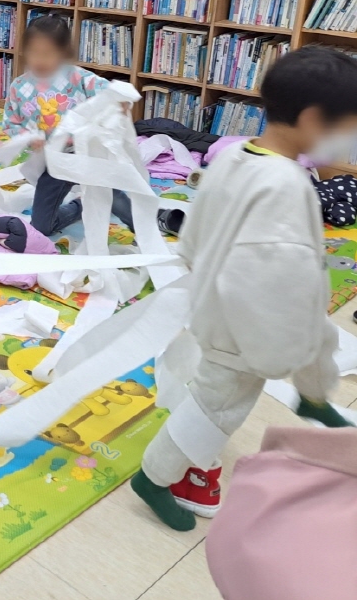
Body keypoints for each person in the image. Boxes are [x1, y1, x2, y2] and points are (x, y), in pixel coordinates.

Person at [131, 46, 357, 532]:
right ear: (312, 120)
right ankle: (154, 477)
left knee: (236, 389)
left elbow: (194, 233)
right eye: (345, 128)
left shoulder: (235, 156)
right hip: (244, 331)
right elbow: (273, 280)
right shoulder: (286, 186)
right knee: (215, 410)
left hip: (217, 307)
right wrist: (273, 350)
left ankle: (314, 397)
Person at [2, 15, 134, 235]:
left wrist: (119, 100)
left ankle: (146, 225)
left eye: (47, 54)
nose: (39, 60)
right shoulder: (19, 86)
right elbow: (10, 123)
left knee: (113, 196)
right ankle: (78, 207)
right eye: (33, 52)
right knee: (41, 227)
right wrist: (27, 137)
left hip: (85, 155)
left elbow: (109, 91)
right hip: (54, 162)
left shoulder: (78, 78)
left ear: (63, 53)